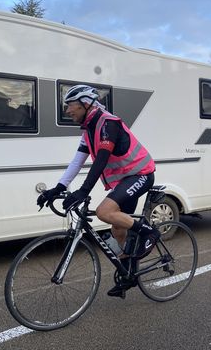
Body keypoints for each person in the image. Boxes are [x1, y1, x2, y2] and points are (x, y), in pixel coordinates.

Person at [36, 84, 159, 297]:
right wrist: (58, 188)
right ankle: (128, 274)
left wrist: (83, 191)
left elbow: (100, 160)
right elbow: (77, 161)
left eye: (70, 106)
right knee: (118, 230)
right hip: (124, 181)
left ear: (86, 104)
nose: (67, 111)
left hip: (141, 175)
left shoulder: (107, 124)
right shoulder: (89, 130)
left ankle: (150, 232)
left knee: (104, 212)